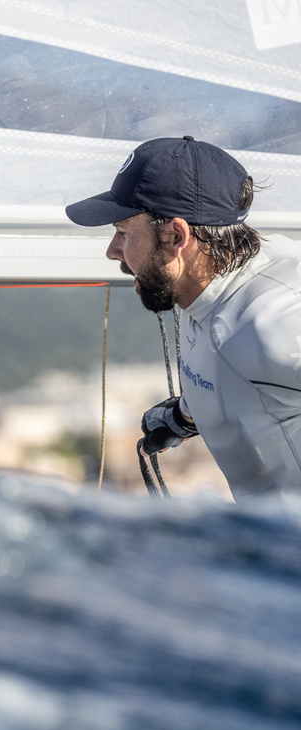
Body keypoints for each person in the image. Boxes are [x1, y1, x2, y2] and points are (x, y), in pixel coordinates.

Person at [67, 135, 301, 499]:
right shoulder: (207, 290)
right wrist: (183, 417)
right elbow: (239, 373)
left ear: (176, 237)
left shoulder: (275, 321)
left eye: (123, 232)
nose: (113, 252)